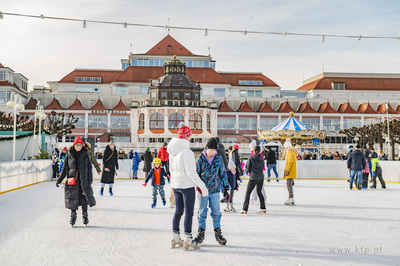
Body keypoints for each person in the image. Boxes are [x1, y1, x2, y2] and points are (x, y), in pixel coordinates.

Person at [168, 122, 208, 250]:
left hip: (176, 185)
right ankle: (188, 239)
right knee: (189, 213)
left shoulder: (172, 151)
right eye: (190, 135)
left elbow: (171, 170)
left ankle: (175, 237)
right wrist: (202, 186)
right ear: (187, 136)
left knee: (178, 211)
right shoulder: (187, 152)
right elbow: (191, 173)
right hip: (186, 186)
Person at [194, 137, 230, 246]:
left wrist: (226, 188)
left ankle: (218, 234)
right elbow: (195, 175)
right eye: (211, 150)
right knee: (201, 212)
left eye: (214, 150)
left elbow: (222, 173)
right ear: (206, 148)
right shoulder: (200, 159)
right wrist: (196, 186)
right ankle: (201, 234)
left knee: (216, 213)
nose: (213, 152)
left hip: (214, 190)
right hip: (202, 191)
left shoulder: (218, 158)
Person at [56, 137, 96, 226]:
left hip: (83, 181)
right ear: (74, 145)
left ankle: (85, 215)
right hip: (73, 181)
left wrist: (90, 181)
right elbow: (64, 169)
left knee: (84, 198)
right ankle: (73, 215)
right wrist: (59, 180)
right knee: (73, 199)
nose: (78, 147)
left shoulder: (86, 155)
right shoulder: (69, 155)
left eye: (80, 145)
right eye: (77, 145)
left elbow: (90, 168)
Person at [240, 145, 266, 214]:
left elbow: (248, 168)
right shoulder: (261, 158)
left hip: (253, 177)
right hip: (261, 177)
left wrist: (246, 170)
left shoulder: (251, 158)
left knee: (248, 193)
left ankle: (244, 209)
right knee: (259, 192)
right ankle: (263, 208)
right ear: (259, 151)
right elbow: (263, 167)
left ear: (253, 151)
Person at [283, 139, 298, 205]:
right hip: (291, 170)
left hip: (290, 170)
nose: (285, 149)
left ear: (287, 147)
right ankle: (290, 198)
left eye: (285, 147)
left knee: (289, 184)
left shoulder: (290, 152)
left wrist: (287, 170)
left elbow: (290, 162)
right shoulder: (292, 152)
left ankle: (291, 198)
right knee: (289, 184)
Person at [224, 146, 239, 212]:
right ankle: (226, 207)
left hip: (233, 187)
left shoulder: (234, 173)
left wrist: (237, 186)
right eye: (233, 168)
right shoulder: (228, 173)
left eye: (234, 168)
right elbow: (226, 180)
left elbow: (235, 180)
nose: (234, 169)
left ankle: (231, 206)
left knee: (231, 197)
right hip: (229, 187)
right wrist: (227, 186)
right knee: (228, 197)